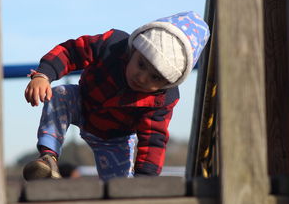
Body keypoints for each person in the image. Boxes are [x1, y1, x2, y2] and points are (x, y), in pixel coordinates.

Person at [23, 11, 210, 181]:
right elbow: (72, 51)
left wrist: (145, 181)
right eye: (141, 64)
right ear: (133, 50)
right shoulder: (112, 46)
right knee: (60, 95)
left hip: (114, 138)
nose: (142, 77)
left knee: (121, 188)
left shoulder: (161, 100)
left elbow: (153, 140)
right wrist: (43, 74)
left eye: (155, 77)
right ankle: (49, 158)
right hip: (81, 102)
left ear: (167, 84)